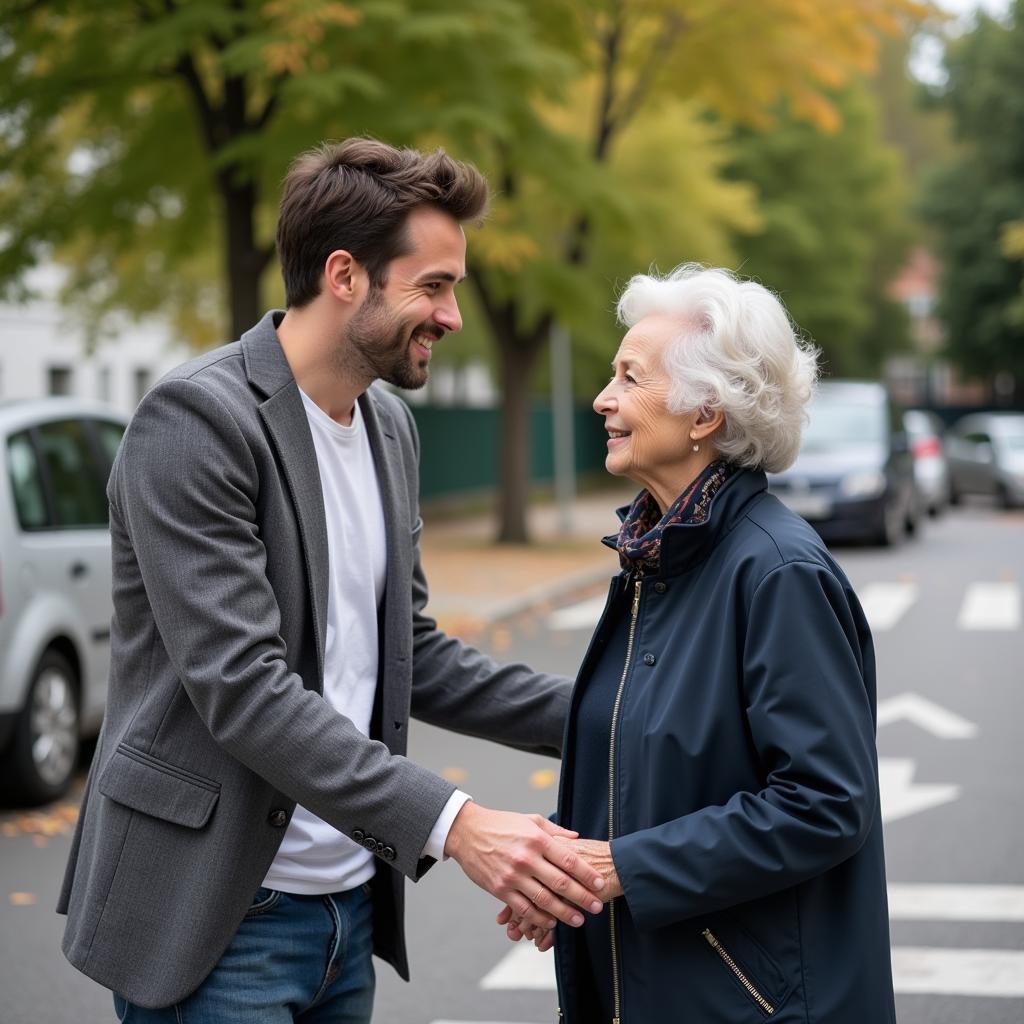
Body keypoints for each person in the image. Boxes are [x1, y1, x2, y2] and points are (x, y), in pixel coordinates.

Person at [57, 138, 605, 1023]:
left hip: (348, 910)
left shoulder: (389, 428)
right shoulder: (196, 421)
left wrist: (610, 716)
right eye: (433, 285)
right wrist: (457, 825)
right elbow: (244, 690)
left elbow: (412, 653)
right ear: (345, 274)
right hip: (218, 920)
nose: (453, 315)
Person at [500, 265, 897, 1023]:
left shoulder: (776, 571)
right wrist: (574, 876)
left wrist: (619, 867)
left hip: (749, 1001)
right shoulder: (659, 554)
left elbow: (826, 803)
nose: (603, 399)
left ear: (704, 413)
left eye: (628, 377)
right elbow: (651, 755)